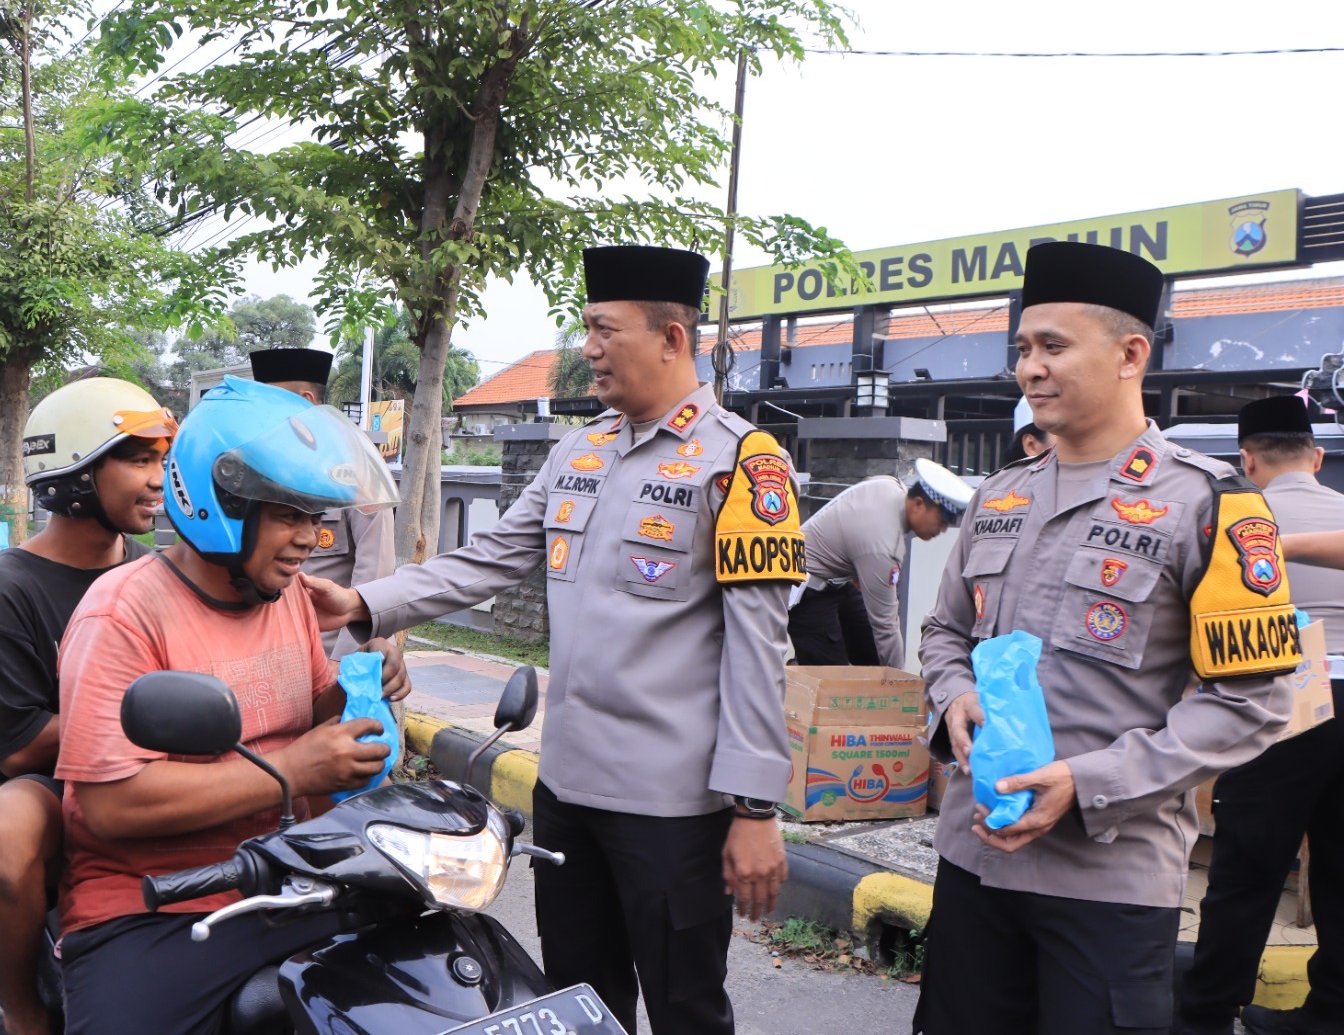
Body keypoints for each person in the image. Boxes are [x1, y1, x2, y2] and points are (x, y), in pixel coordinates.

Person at [307, 245, 806, 1035]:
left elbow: (758, 648)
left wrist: (754, 806)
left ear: (673, 339)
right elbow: (489, 558)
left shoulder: (742, 464)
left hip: (672, 811)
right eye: (586, 330)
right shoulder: (579, 451)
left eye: (605, 330)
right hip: (568, 795)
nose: (589, 350)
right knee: (576, 999)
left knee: (686, 1007)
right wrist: (364, 600)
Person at [913, 240, 1299, 1035]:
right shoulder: (999, 494)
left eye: (1053, 346)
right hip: (973, 863)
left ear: (1131, 353)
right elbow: (945, 628)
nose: (1029, 368)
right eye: (1023, 348)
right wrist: (952, 698)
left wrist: (1088, 781)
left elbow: (1253, 702)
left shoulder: (1211, 504)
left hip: (1108, 882)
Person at [53, 376, 408, 1035]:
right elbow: (108, 804)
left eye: (316, 519)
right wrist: (295, 771)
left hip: (296, 876)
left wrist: (358, 689)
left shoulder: (289, 596)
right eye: (289, 515)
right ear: (224, 506)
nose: (309, 541)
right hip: (154, 906)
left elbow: (304, 718)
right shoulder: (122, 612)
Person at [0, 378, 178, 1035]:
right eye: (138, 459)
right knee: (1, 835)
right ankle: (24, 1015)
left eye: (162, 459)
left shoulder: (160, 575)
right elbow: (21, 744)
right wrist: (137, 723)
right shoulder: (5, 592)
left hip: (156, 771)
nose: (157, 479)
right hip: (53, 784)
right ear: (75, 473)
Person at [1177, 395, 1344, 1035]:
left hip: (1281, 706)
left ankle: (1207, 1012)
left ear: (1246, 460)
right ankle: (1330, 1016)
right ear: (1318, 457)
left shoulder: (1235, 525)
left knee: (1247, 870)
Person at [248, 347, 397, 658]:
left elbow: (375, 575)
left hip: (332, 653)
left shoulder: (352, 465)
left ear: (306, 401)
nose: (260, 413)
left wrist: (343, 664)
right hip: (270, 647)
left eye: (270, 402)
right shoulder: (264, 462)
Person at [787, 459, 971, 669]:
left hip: (837, 581)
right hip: (807, 589)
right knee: (831, 678)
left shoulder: (890, 485)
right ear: (918, 504)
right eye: (942, 520)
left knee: (871, 651)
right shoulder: (883, 545)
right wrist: (898, 686)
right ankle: (796, 672)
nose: (943, 530)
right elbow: (886, 626)